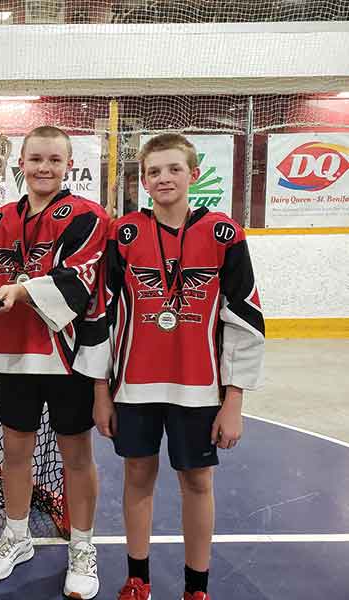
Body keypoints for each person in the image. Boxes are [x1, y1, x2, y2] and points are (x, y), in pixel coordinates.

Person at [92, 133, 265, 600]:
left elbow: (245, 320)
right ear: (143, 180)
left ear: (193, 174)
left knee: (196, 481)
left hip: (199, 388)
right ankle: (138, 577)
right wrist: (100, 392)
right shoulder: (123, 233)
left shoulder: (223, 233)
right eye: (154, 171)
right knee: (136, 476)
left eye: (173, 169)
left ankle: (196, 586)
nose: (164, 178)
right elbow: (102, 316)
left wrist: (235, 400)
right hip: (134, 388)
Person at [0, 126, 109, 599]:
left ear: (69, 165)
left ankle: (82, 546)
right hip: (13, 357)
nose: (44, 168)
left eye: (54, 160)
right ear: (21, 164)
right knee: (15, 452)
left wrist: (21, 289)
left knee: (76, 456)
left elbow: (77, 281)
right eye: (35, 160)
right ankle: (17, 535)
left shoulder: (88, 217)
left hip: (67, 359)